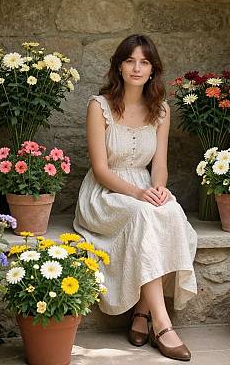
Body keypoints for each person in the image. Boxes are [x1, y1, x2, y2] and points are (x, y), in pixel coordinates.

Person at [74, 34, 197, 361]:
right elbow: (100, 170)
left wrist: (157, 188)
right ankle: (163, 323)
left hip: (144, 186)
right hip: (106, 193)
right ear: (119, 65)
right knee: (145, 215)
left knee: (171, 215)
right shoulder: (98, 106)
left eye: (144, 62)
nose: (137, 68)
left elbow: (160, 166)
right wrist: (139, 193)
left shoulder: (161, 110)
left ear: (153, 69)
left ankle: (142, 312)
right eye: (130, 60)